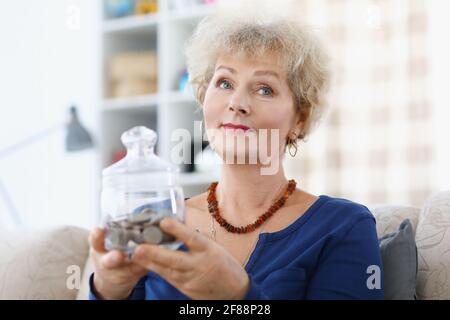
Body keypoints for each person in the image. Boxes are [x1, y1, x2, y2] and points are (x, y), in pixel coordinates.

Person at [88, 9, 384, 300]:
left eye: (264, 89)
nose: (237, 102)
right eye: (225, 83)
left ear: (299, 120)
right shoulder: (154, 221)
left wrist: (239, 296)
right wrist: (107, 289)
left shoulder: (343, 226)